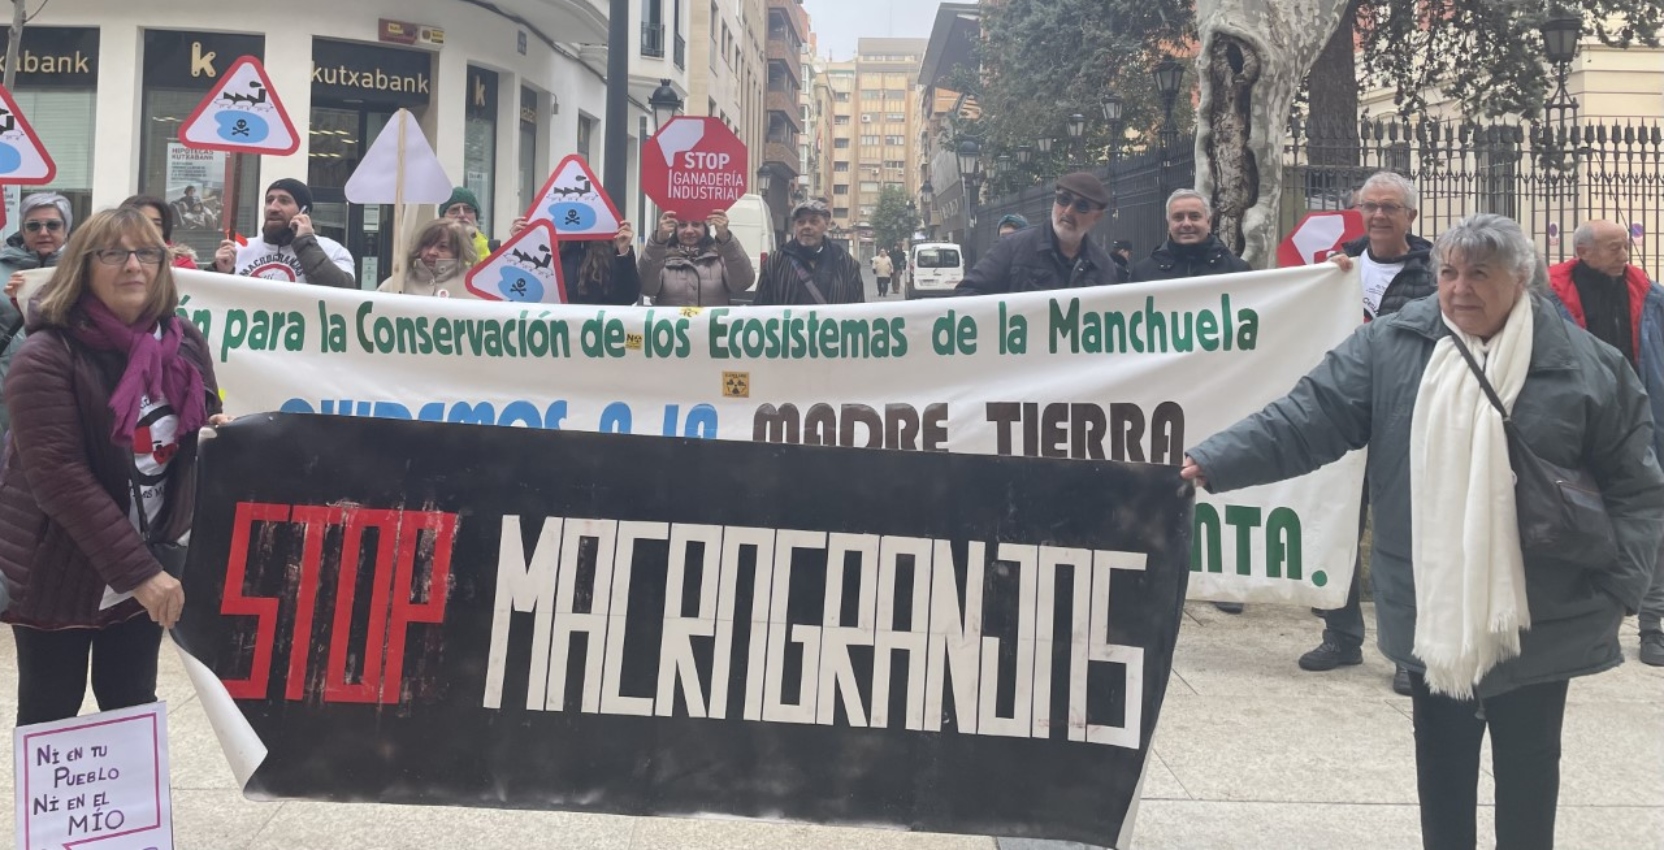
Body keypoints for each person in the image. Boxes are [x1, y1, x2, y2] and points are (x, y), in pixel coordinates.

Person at [1182, 214, 1664, 850]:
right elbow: (1306, 419)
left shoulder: (1587, 367)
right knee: (1441, 769)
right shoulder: (1393, 347)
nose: (1460, 288)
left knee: (1530, 767)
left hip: (1547, 606)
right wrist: (1211, 461)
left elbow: (1636, 487)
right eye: (1448, 272)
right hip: (1433, 603)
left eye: (1479, 274)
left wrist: (1619, 592)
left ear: (1521, 281)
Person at [0, 207, 229, 725]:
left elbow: (197, 427)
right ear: (83, 265)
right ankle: (59, 812)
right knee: (51, 711)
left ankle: (131, 811)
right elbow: (58, 478)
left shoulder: (182, 342)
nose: (134, 266)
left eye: (146, 253)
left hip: (148, 555)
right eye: (114, 253)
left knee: (130, 700)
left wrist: (221, 429)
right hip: (58, 562)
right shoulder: (46, 355)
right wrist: (141, 574)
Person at [1300, 171, 1433, 694]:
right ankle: (1341, 634)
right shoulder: (1337, 268)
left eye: (1390, 207)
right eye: (1370, 206)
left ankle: (1408, 649)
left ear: (1410, 217)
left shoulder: (1434, 271)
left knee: (1402, 536)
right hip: (1346, 415)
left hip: (1409, 418)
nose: (1378, 215)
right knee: (1339, 527)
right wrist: (1322, 284)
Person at [1546, 219, 1664, 667]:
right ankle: (1578, 619)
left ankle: (1652, 623)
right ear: (1583, 252)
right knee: (1575, 518)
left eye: (1625, 246)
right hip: (1577, 423)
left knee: (1651, 522)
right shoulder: (1549, 296)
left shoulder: (1650, 297)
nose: (1624, 255)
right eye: (1613, 248)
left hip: (1643, 423)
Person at [956, 172, 1121, 295]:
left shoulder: (1103, 266)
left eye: (1082, 206)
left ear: (1097, 216)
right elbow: (965, 298)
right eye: (1064, 199)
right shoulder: (1012, 248)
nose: (1068, 211)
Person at [0, 193, 75, 435]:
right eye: (33, 225)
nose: (43, 232)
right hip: (5, 393)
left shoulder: (83, 270)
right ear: (22, 229)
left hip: (62, 392)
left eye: (53, 224)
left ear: (67, 228)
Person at [212, 179, 355, 287]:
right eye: (269, 200)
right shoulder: (238, 250)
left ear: (304, 211)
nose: (273, 208)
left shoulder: (333, 250)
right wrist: (220, 272)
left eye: (284, 201)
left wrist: (306, 243)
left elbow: (343, 293)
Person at [754, 199, 864, 305]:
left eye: (813, 221)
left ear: (826, 224)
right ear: (795, 226)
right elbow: (760, 309)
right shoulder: (776, 262)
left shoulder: (845, 263)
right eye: (801, 222)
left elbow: (858, 311)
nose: (806, 226)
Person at [1128, 189, 1251, 282]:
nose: (1186, 224)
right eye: (1178, 217)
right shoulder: (1142, 274)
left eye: (1194, 216)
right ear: (1168, 224)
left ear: (1208, 222)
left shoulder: (1238, 271)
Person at [638, 209, 755, 307]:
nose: (689, 230)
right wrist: (658, 242)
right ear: (675, 230)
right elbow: (646, 288)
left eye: (696, 224)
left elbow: (743, 283)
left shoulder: (720, 255)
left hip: (713, 332)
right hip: (672, 332)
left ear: (705, 228)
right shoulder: (661, 257)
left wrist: (726, 240)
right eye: (683, 225)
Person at [376, 219, 478, 299]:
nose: (431, 252)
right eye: (427, 245)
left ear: (458, 251)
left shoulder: (475, 286)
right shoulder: (397, 283)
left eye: (442, 247)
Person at [122, 195, 197, 270]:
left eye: (156, 223)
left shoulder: (181, 265)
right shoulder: (112, 259)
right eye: (142, 222)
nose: (150, 228)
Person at [441, 186, 496, 265]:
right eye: (454, 210)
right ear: (443, 217)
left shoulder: (494, 249)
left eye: (468, 210)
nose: (462, 215)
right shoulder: (432, 248)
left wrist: (474, 238)